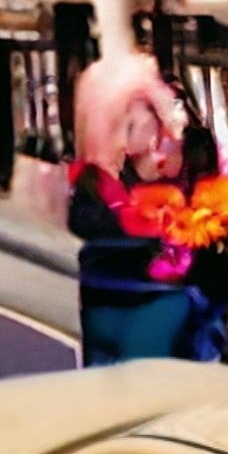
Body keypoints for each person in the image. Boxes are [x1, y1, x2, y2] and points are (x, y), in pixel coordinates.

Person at [67, 54, 195, 365]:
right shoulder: (96, 184)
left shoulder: (95, 182)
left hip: (115, 295)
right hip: (141, 296)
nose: (162, 137)